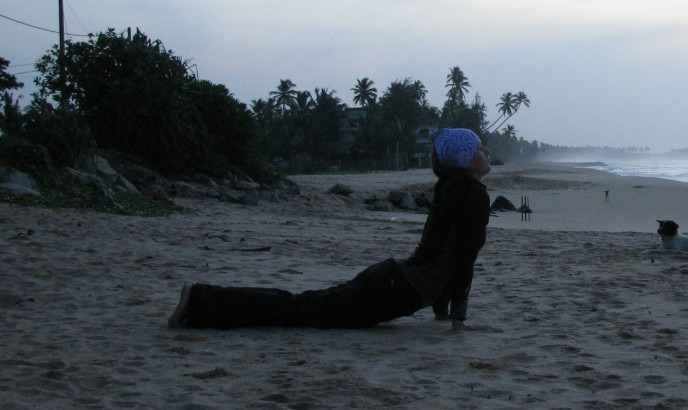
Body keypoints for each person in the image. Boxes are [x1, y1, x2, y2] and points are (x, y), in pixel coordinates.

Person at [167, 128, 492, 331]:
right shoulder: (471, 195)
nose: (486, 152)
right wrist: (457, 320)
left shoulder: (450, 188)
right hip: (395, 287)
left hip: (392, 280)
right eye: (479, 148)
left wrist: (442, 311)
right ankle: (199, 299)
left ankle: (201, 300)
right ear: (463, 159)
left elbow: (439, 251)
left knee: (302, 306)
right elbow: (463, 258)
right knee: (298, 309)